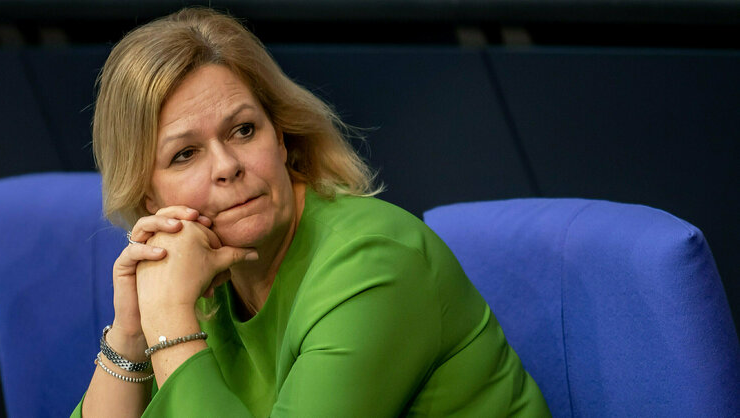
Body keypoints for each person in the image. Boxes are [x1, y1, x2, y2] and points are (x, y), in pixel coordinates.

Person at [73, 7, 550, 417]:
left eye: (242, 130)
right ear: (150, 200)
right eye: (185, 154)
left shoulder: (372, 263)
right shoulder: (193, 270)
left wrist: (172, 321)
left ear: (281, 136)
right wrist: (133, 330)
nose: (227, 167)